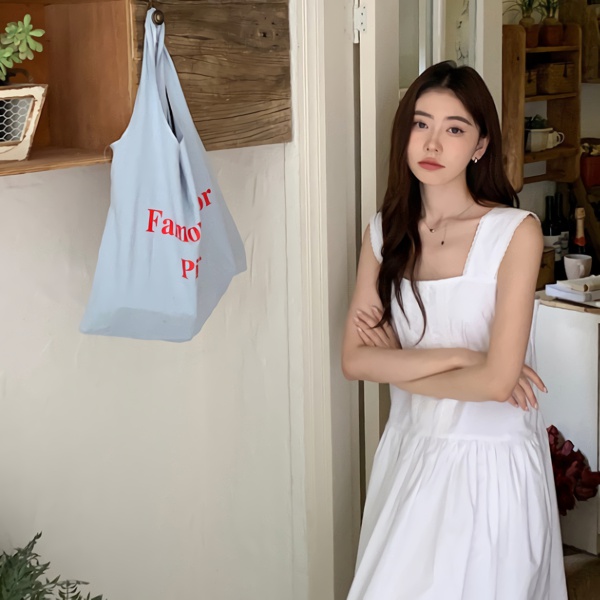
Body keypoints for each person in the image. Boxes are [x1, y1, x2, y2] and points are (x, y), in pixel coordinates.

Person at [342, 62, 567, 600]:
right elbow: (354, 361)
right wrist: (466, 358)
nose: (433, 143)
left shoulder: (514, 233)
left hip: (492, 463)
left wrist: (398, 364)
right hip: (411, 452)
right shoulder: (383, 234)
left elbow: (498, 385)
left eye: (455, 128)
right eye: (421, 124)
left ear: (480, 145)